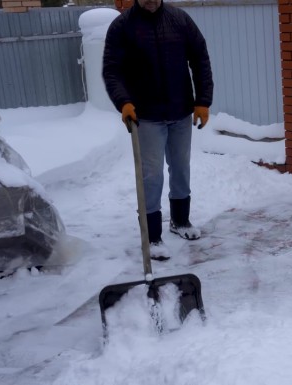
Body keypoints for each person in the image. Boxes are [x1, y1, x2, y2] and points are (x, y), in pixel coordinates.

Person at [102, 0, 213, 260]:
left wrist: (203, 101)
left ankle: (180, 222)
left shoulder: (180, 20)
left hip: (180, 111)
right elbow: (112, 70)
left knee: (181, 168)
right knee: (151, 176)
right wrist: (124, 101)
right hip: (146, 115)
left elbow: (200, 59)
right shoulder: (122, 26)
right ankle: (152, 237)